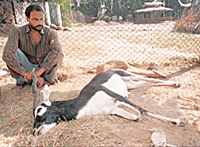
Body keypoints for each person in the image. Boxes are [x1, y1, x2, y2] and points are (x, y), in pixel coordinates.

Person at [2, 4, 64, 90]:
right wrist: (24, 73)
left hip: (44, 69)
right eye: (35, 19)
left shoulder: (51, 33)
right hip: (27, 70)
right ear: (27, 19)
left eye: (41, 19)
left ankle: (46, 80)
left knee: (58, 53)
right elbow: (7, 54)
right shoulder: (17, 32)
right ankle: (24, 81)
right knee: (13, 53)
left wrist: (39, 72)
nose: (40, 22)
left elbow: (58, 52)